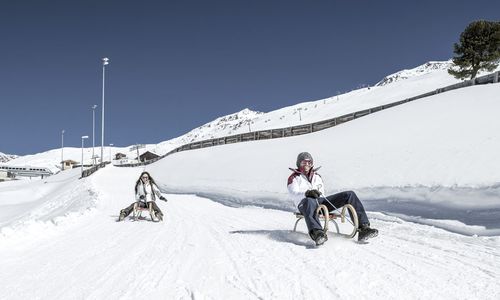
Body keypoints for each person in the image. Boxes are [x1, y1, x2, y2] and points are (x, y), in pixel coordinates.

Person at [287, 152, 378, 245]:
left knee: (350, 194)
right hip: (304, 204)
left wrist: (318, 195)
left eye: (309, 162)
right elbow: (293, 194)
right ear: (299, 163)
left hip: (320, 202)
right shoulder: (294, 177)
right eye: (304, 162)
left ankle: (363, 228)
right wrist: (307, 193)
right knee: (309, 200)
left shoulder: (317, 176)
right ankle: (317, 233)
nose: (306, 165)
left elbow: (322, 192)